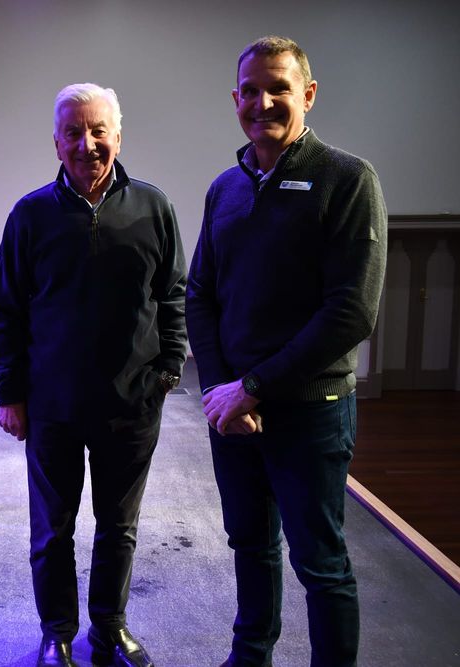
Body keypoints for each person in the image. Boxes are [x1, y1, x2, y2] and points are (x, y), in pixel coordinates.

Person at [186, 36, 387, 667]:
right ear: (235, 99)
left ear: (309, 93)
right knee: (249, 542)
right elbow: (200, 295)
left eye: (278, 87)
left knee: (319, 562)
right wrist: (225, 392)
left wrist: (255, 387)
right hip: (235, 411)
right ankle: (251, 656)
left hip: (310, 408)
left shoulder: (348, 180)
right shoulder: (226, 188)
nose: (263, 102)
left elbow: (351, 311)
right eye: (250, 90)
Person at [0, 84, 186, 667]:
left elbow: (173, 293)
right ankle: (57, 634)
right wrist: (9, 392)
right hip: (53, 406)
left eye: (98, 130)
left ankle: (108, 629)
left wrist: (170, 367)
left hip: (132, 404)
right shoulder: (30, 215)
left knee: (118, 528)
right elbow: (6, 307)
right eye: (73, 132)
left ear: (118, 137)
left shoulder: (153, 207)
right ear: (56, 142)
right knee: (52, 530)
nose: (87, 143)